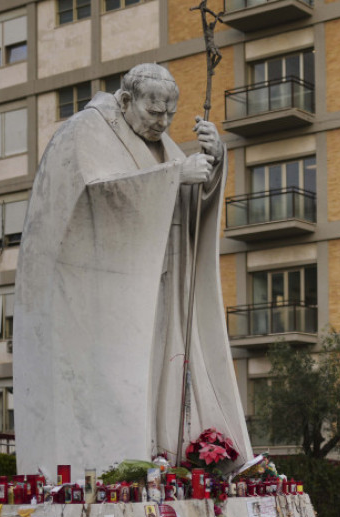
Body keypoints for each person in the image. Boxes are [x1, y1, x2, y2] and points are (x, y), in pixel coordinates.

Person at [14, 63, 252, 481]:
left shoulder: (162, 147)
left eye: (169, 114)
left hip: (161, 294)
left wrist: (213, 166)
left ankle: (170, 462)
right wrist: (175, 177)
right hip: (109, 303)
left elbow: (187, 214)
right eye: (153, 112)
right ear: (126, 101)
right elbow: (93, 197)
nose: (162, 122)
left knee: (168, 381)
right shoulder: (83, 132)